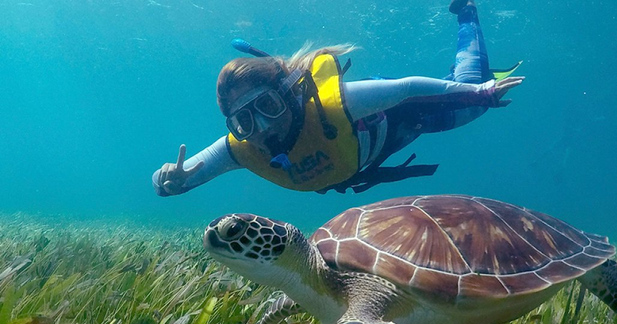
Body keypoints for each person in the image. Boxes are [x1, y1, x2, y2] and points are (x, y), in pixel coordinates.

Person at [153, 0, 524, 195]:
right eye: (245, 121)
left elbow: (408, 87)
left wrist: (480, 92)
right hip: (364, 158)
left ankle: (467, 13)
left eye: (267, 106)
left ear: (286, 93)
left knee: (470, 100)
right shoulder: (240, 149)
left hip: (402, 118)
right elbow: (179, 180)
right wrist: (165, 178)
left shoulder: (336, 104)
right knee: (465, 92)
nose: (263, 127)